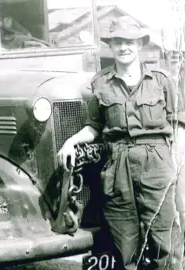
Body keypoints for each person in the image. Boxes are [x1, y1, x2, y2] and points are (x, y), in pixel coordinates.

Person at [56, 16, 184, 269]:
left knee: (165, 243)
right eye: (117, 43)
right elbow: (95, 126)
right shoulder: (100, 83)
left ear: (139, 45)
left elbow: (178, 123)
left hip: (157, 165)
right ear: (111, 47)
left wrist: (175, 164)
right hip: (117, 168)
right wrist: (71, 141)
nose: (123, 47)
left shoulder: (162, 80)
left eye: (129, 42)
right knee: (124, 244)